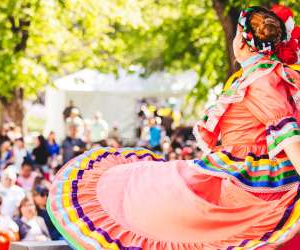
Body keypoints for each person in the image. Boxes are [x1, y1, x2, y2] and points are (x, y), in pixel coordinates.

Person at [47, 6, 300, 249]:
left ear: (241, 42)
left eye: (235, 34)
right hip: (236, 168)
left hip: (248, 179)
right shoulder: (256, 75)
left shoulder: (263, 79)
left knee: (157, 194)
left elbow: (288, 134)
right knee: (151, 184)